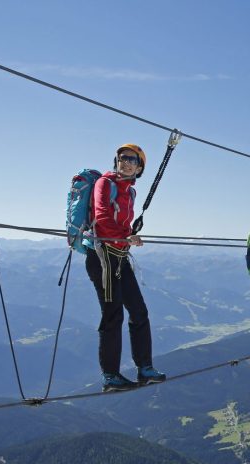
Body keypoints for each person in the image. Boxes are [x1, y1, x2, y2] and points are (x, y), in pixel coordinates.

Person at [85, 143, 166, 392]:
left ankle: (145, 368)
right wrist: (126, 235)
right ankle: (110, 376)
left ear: (139, 167)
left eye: (132, 159)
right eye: (122, 158)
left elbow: (119, 224)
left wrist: (128, 235)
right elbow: (102, 217)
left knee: (139, 311)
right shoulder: (105, 184)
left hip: (118, 255)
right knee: (113, 314)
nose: (126, 162)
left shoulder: (129, 192)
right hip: (102, 256)